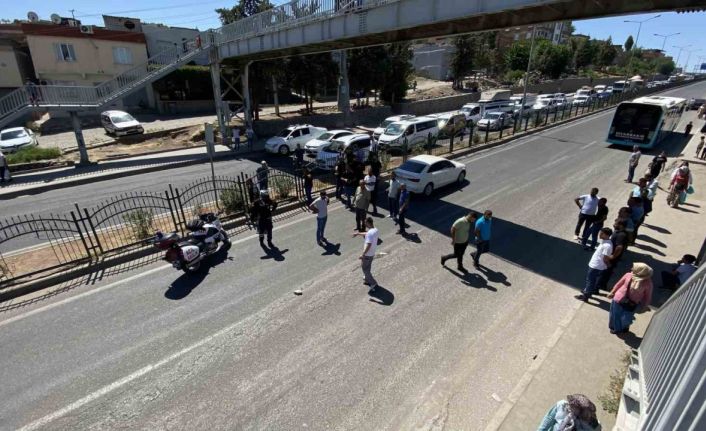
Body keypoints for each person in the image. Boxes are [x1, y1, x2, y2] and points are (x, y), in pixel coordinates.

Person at [607, 263, 653, 334]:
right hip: (618, 299)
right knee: (615, 315)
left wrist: (645, 306)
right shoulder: (628, 275)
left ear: (640, 271)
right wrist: (612, 292)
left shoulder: (648, 283)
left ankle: (624, 326)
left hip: (632, 303)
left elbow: (647, 296)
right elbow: (619, 284)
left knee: (627, 318)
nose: (631, 269)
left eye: (634, 268)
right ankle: (616, 328)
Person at [576, 227, 613, 302]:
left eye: (602, 233)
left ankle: (586, 296)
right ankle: (587, 291)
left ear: (607, 235)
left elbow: (605, 258)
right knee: (590, 280)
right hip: (595, 264)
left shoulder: (607, 246)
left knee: (590, 280)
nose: (600, 234)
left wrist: (609, 266)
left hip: (597, 266)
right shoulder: (605, 242)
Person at [537, 394, 601, 431]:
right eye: (569, 407)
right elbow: (548, 420)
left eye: (574, 413)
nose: (569, 412)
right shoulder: (562, 405)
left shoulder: (592, 427)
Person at [597, 219, 628, 291]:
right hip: (610, 256)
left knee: (605, 272)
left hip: (612, 258)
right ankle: (600, 285)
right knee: (605, 271)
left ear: (621, 225)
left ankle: (600, 286)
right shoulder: (618, 232)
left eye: (616, 223)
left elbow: (619, 247)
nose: (614, 224)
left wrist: (613, 256)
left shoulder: (621, 235)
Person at [352, 217, 379, 293]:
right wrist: (358, 233)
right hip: (372, 253)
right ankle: (367, 279)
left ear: (368, 223)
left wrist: (363, 254)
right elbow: (366, 233)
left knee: (365, 269)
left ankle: (373, 283)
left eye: (365, 222)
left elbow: (368, 244)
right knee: (367, 267)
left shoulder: (370, 233)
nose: (364, 224)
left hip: (367, 254)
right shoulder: (375, 230)